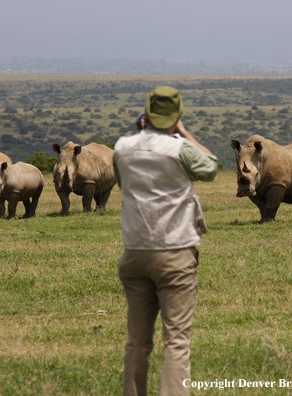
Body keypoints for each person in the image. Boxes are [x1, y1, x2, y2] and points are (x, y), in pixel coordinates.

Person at [113, 86, 218, 396]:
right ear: (176, 116)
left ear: (146, 114)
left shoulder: (121, 147)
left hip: (134, 253)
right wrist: (183, 134)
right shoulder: (179, 148)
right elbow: (211, 167)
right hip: (175, 252)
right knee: (176, 341)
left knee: (137, 342)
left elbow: (124, 183)